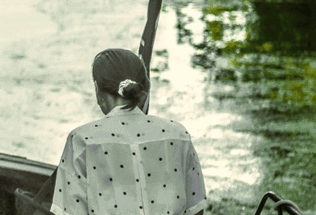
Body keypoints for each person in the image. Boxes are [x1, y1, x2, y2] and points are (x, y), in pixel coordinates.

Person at [51, 48, 207, 215]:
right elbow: (196, 209)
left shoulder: (82, 141)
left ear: (97, 89)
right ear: (145, 88)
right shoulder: (178, 135)